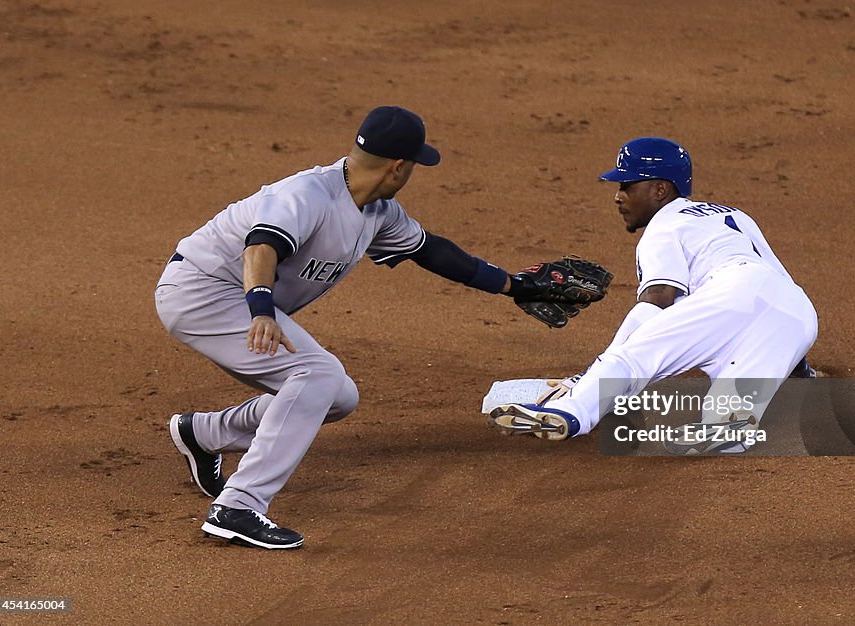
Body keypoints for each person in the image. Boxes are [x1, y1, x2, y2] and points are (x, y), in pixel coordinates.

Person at [156, 106, 561, 549]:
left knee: (338, 396)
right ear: (399, 166)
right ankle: (239, 506)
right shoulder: (307, 194)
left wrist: (512, 285)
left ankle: (205, 433)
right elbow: (261, 246)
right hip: (204, 291)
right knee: (318, 374)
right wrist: (261, 310)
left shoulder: (378, 210)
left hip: (239, 299)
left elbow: (432, 252)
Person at [488, 137, 819, 453]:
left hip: (733, 295)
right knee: (728, 413)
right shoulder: (734, 215)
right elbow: (774, 298)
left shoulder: (664, 226)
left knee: (636, 357)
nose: (618, 197)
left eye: (627, 186)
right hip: (798, 313)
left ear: (660, 189)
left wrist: (596, 373)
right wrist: (799, 367)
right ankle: (729, 428)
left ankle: (572, 412)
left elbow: (657, 301)